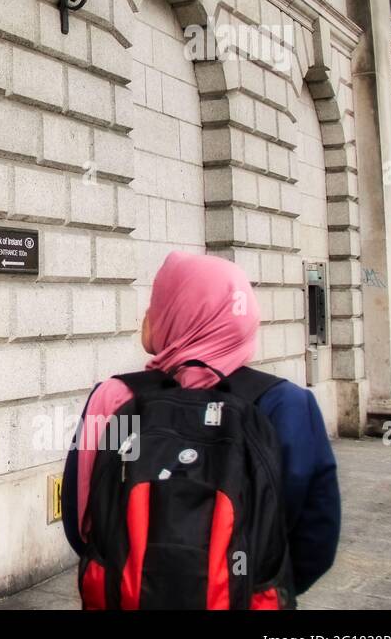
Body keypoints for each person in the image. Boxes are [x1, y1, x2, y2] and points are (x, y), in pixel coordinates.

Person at [61, 250, 341, 604]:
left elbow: (80, 523)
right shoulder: (287, 405)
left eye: (156, 303)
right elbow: (316, 539)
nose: (147, 315)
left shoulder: (113, 398)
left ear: (179, 313)